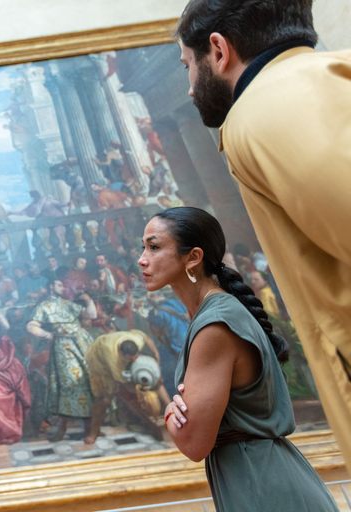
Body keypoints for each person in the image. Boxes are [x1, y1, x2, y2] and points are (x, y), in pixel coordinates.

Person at [175, 0, 351, 465]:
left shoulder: (269, 107)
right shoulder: (324, 76)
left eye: (188, 66)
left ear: (218, 49)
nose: (190, 89)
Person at [138, 207, 337, 511]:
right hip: (260, 477)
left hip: (263, 487)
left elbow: (193, 443)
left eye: (154, 247)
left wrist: (168, 411)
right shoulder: (215, 314)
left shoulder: (215, 325)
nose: (142, 258)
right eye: (144, 247)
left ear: (193, 257)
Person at [26, 280, 98, 442]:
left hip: (82, 343)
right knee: (68, 385)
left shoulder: (67, 304)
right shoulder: (44, 306)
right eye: (59, 285)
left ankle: (90, 428)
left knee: (87, 382)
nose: (63, 288)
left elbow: (91, 315)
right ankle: (62, 428)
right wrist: (50, 335)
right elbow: (31, 326)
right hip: (64, 347)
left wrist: (88, 300)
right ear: (51, 287)